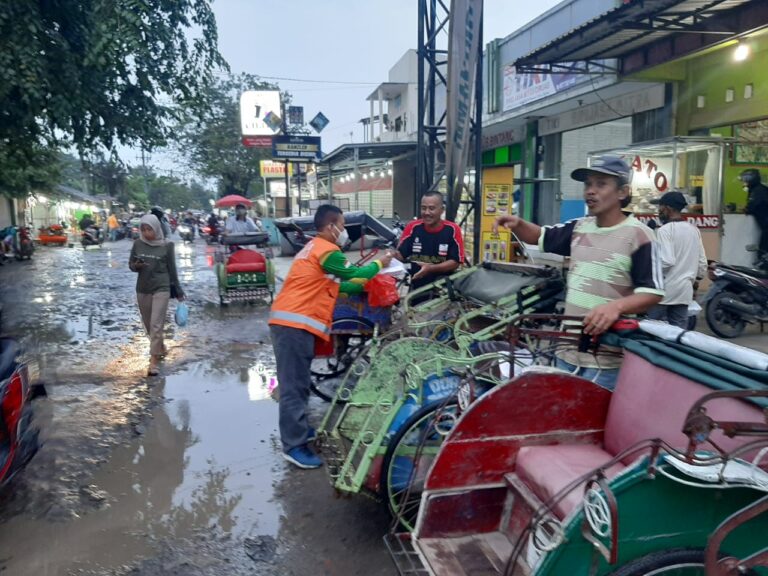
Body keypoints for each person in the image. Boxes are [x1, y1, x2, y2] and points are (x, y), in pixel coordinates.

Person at [494, 155, 664, 390]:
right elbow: (542, 237)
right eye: (588, 184)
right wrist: (518, 223)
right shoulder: (579, 227)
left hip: (607, 357)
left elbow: (653, 292)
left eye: (601, 184)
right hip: (565, 349)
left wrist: (615, 307)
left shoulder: (640, 236)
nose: (591, 191)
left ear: (622, 192)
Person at [269, 205, 394, 469]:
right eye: (342, 224)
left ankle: (300, 432)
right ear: (330, 227)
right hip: (292, 325)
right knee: (293, 388)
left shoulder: (314, 250)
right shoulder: (328, 251)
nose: (344, 231)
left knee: (301, 383)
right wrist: (379, 264)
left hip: (292, 324)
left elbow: (345, 285)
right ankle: (293, 446)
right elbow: (354, 274)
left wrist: (370, 279)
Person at [129, 214, 185, 376]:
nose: (147, 233)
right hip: (143, 288)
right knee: (148, 325)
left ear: (157, 229)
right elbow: (131, 265)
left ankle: (153, 361)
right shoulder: (138, 244)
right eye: (144, 230)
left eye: (150, 229)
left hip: (162, 287)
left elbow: (172, 269)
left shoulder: (167, 245)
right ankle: (160, 346)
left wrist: (179, 291)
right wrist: (136, 266)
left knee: (156, 324)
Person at [646, 191, 707, 328]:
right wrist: (695, 281)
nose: (658, 211)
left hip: (665, 291)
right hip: (684, 291)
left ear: (668, 208)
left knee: (650, 329)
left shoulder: (665, 230)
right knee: (679, 333)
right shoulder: (694, 230)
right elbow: (702, 264)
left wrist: (648, 270)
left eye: (660, 207)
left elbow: (667, 260)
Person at [395, 191, 465, 293]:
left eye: (431, 208)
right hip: (416, 289)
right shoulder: (412, 227)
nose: (427, 212)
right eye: (423, 208)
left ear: (442, 210)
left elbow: (455, 262)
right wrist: (391, 255)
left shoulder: (453, 229)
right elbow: (401, 255)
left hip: (443, 291)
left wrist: (431, 268)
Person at [741, 168, 768, 260]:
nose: (744, 182)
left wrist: (746, 209)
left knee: (764, 251)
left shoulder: (757, 190)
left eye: (745, 179)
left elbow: (751, 207)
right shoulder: (760, 189)